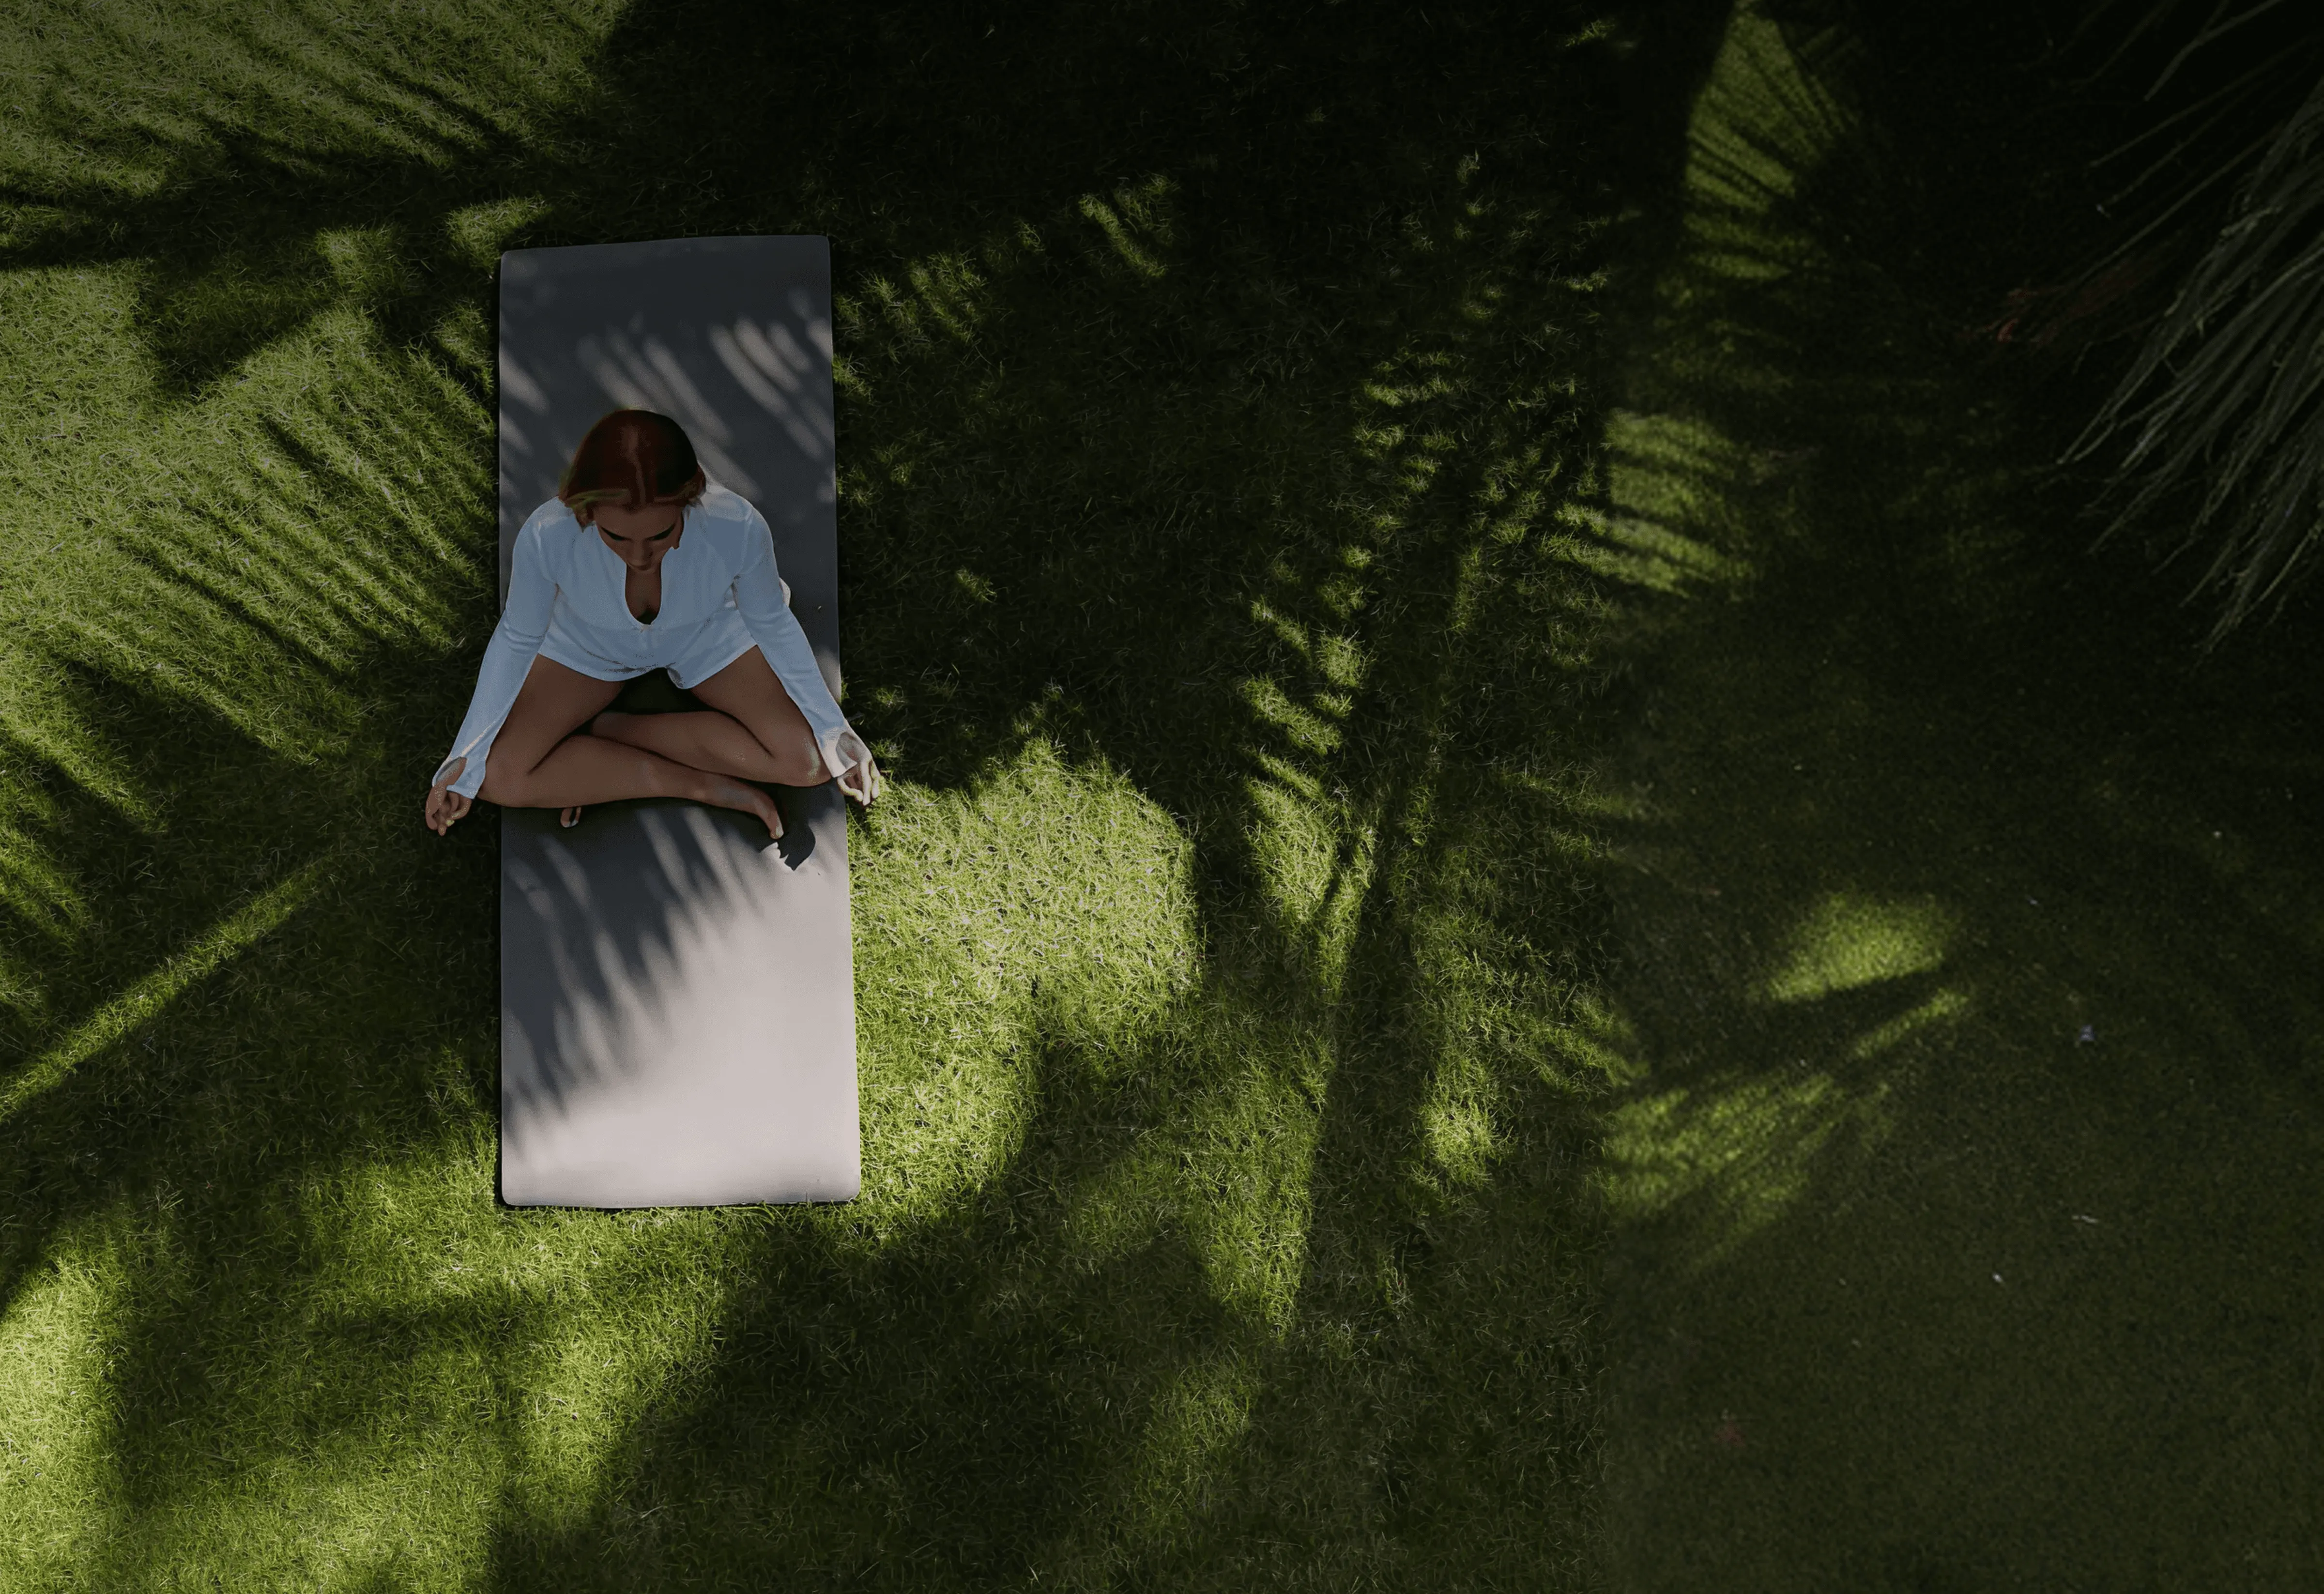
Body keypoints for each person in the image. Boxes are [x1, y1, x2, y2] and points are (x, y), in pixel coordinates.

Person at [424, 408, 880, 842]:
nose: (640, 558)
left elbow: (771, 622)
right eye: (616, 537)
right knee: (496, 776)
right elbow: (518, 636)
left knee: (809, 762)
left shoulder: (737, 525)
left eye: (660, 535)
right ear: (585, 511)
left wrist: (832, 729)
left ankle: (611, 730)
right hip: (588, 649)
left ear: (690, 500)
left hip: (707, 638)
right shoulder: (548, 535)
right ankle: (692, 784)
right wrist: (466, 754)